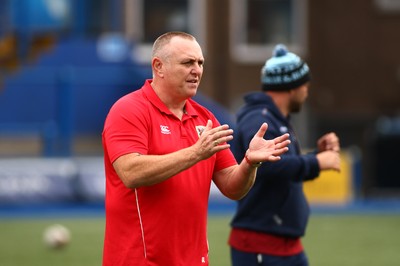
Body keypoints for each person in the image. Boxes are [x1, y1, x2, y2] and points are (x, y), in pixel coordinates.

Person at [101, 32, 291, 266]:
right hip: (139, 261)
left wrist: (250, 163)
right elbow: (130, 172)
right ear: (158, 67)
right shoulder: (129, 110)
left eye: (200, 63)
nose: (197, 70)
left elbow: (232, 188)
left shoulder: (205, 118)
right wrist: (195, 153)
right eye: (187, 62)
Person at [228, 44, 341, 266]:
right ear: (291, 87)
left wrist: (317, 154)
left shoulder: (276, 119)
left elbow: (284, 168)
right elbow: (266, 166)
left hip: (285, 244)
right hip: (261, 244)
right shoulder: (259, 120)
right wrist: (316, 162)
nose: (307, 91)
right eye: (304, 85)